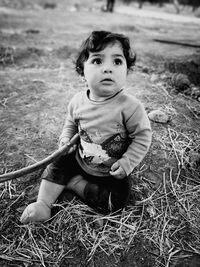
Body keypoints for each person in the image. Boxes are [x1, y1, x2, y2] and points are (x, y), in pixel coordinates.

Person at [20, 30, 152, 223]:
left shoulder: (130, 107)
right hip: (80, 159)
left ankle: (74, 184)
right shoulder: (77, 101)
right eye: (98, 61)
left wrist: (127, 162)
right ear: (82, 72)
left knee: (116, 201)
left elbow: (143, 136)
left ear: (126, 71)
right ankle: (43, 204)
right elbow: (70, 124)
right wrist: (65, 140)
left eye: (117, 62)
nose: (108, 69)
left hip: (111, 171)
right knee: (57, 163)